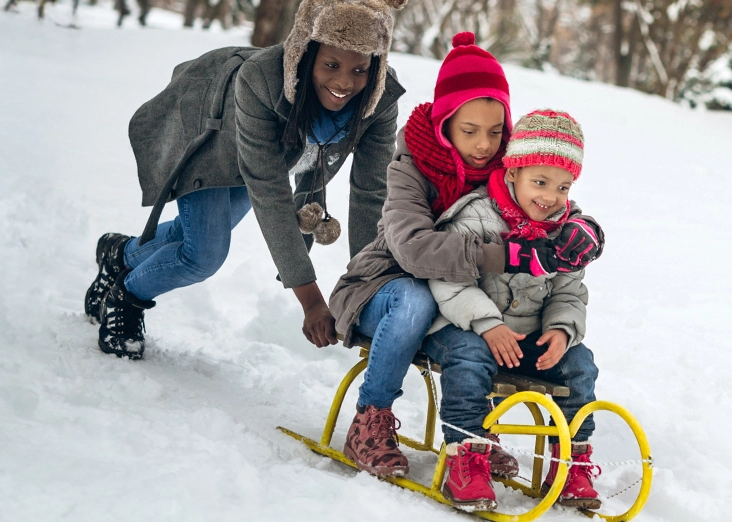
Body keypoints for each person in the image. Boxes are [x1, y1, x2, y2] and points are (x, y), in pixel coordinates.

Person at [326, 35, 605, 479]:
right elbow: (416, 249)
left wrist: (583, 228)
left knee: (497, 336)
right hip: (387, 289)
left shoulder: (507, 166)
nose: (483, 145)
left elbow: (547, 191)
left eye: (496, 132)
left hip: (458, 304)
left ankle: (488, 435)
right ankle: (370, 418)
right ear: (444, 123)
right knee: (417, 298)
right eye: (470, 131)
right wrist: (512, 256)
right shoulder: (410, 166)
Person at [84, 0, 410, 360]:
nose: (345, 81)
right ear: (306, 56)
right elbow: (270, 192)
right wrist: (311, 299)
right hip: (209, 135)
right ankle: (126, 297)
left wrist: (365, 288)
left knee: (192, 234)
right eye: (331, 65)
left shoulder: (378, 99)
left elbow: (370, 194)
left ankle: (119, 253)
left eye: (360, 69)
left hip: (261, 152)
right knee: (203, 253)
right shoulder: (261, 80)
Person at [422, 109, 603, 511]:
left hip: (527, 336)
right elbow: (449, 278)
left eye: (562, 187)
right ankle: (466, 456)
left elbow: (570, 291)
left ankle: (569, 459)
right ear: (512, 173)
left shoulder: (566, 233)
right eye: (539, 182)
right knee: (468, 359)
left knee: (580, 365)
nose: (550, 197)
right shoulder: (474, 217)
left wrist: (560, 330)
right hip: (464, 327)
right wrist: (487, 324)